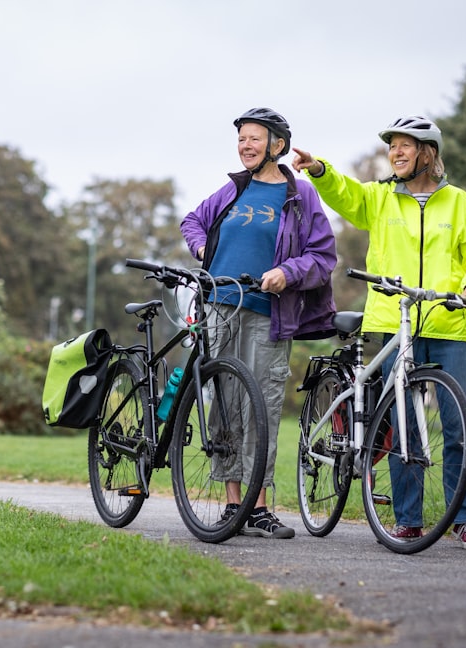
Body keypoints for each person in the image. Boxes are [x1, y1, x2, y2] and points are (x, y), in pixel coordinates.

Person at [292, 115, 466, 551]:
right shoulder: (382, 198)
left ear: (428, 154)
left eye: (406, 146)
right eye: (393, 147)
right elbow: (348, 195)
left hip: (449, 324)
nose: (397, 153)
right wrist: (320, 170)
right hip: (395, 322)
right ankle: (407, 520)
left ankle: (465, 521)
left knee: (457, 428)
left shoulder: (460, 204)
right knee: (404, 426)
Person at [181, 107, 337, 539]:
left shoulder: (299, 194)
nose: (245, 146)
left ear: (278, 146)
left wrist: (287, 272)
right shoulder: (233, 190)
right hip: (219, 306)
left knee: (261, 408)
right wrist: (200, 249)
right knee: (226, 406)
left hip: (269, 314)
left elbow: (323, 257)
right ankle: (234, 504)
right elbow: (193, 221)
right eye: (241, 139)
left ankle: (259, 506)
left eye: (254, 139)